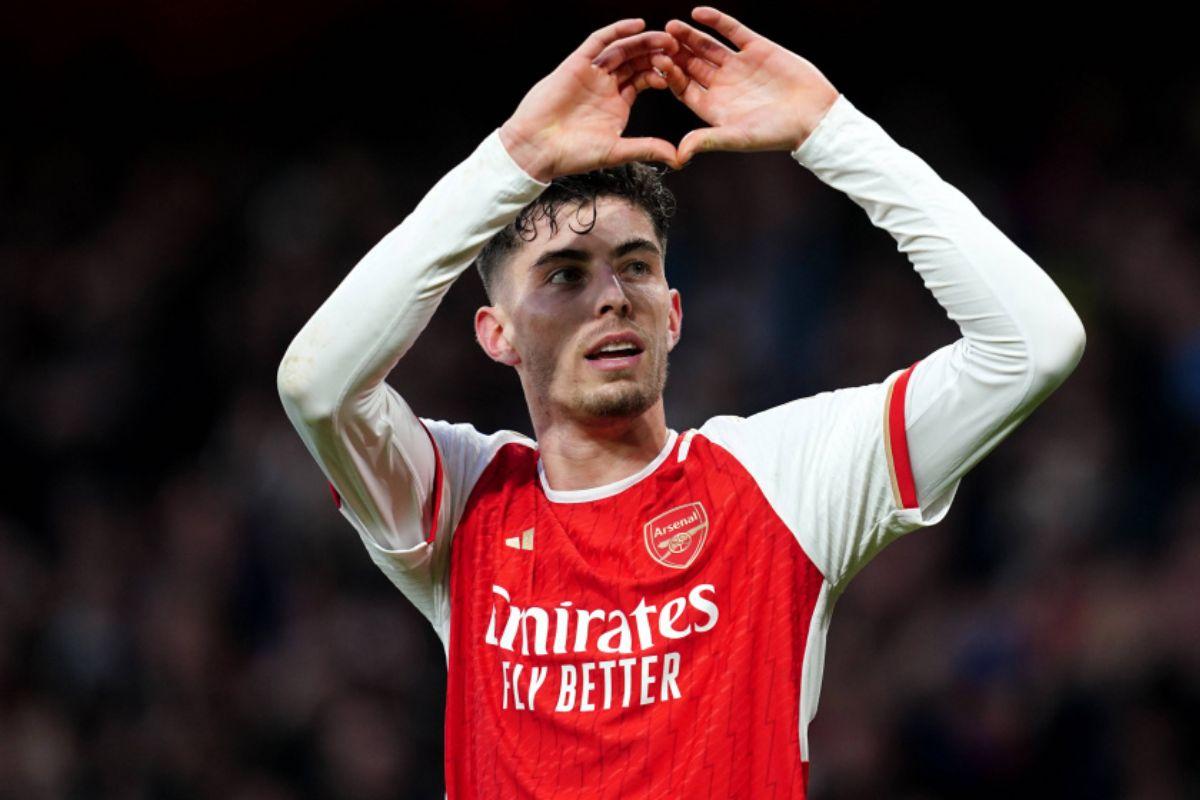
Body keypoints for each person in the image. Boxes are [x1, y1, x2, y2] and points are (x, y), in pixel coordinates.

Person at [276, 7, 1085, 798]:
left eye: (635, 266)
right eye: (565, 274)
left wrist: (833, 134)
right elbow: (317, 384)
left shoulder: (786, 479)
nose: (611, 297)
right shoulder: (464, 501)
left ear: (671, 314)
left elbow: (1034, 344)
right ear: (498, 334)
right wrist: (510, 162)